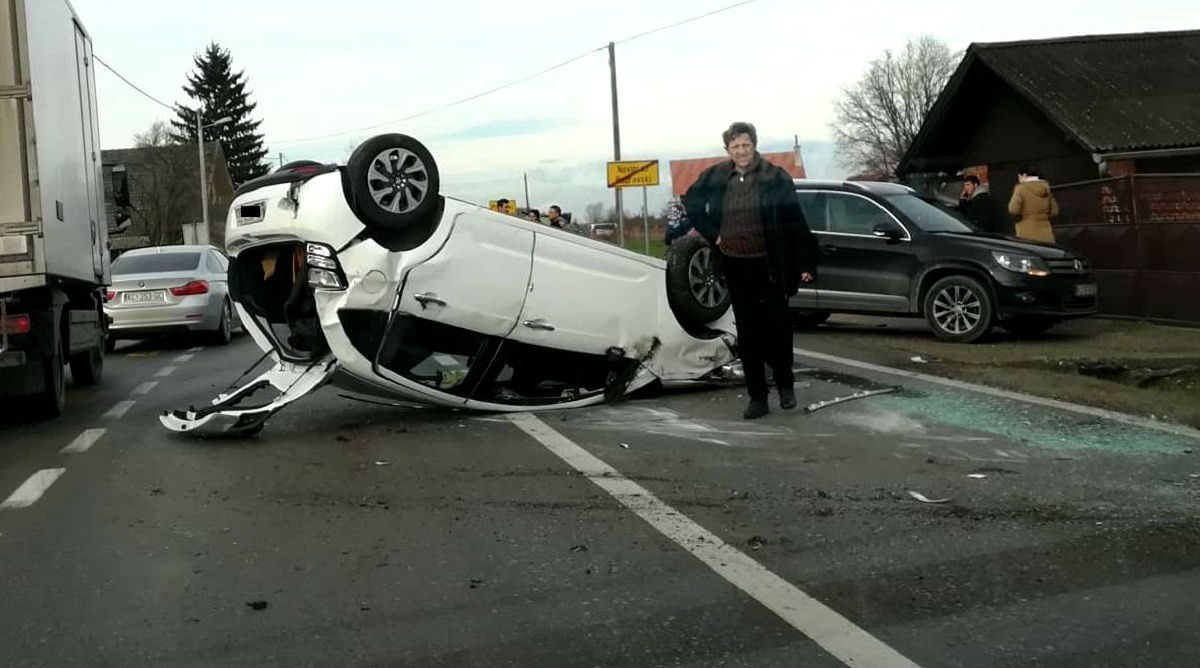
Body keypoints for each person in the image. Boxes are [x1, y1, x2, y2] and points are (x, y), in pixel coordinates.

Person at [683, 122, 819, 420]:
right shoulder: (717, 176)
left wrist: (806, 262)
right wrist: (711, 233)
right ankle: (757, 396)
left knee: (778, 328)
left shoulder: (775, 177)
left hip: (769, 263)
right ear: (727, 150)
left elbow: (794, 219)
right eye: (735, 147)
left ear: (754, 145)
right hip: (734, 263)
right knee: (748, 333)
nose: (741, 151)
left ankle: (785, 386)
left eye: (745, 145)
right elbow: (691, 202)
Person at [1008, 167, 1059, 243]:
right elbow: (1054, 211)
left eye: (1019, 176)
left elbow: (1013, 209)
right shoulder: (1046, 188)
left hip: (1026, 230)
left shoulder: (1021, 189)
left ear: (1024, 175)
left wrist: (1018, 219)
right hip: (1046, 230)